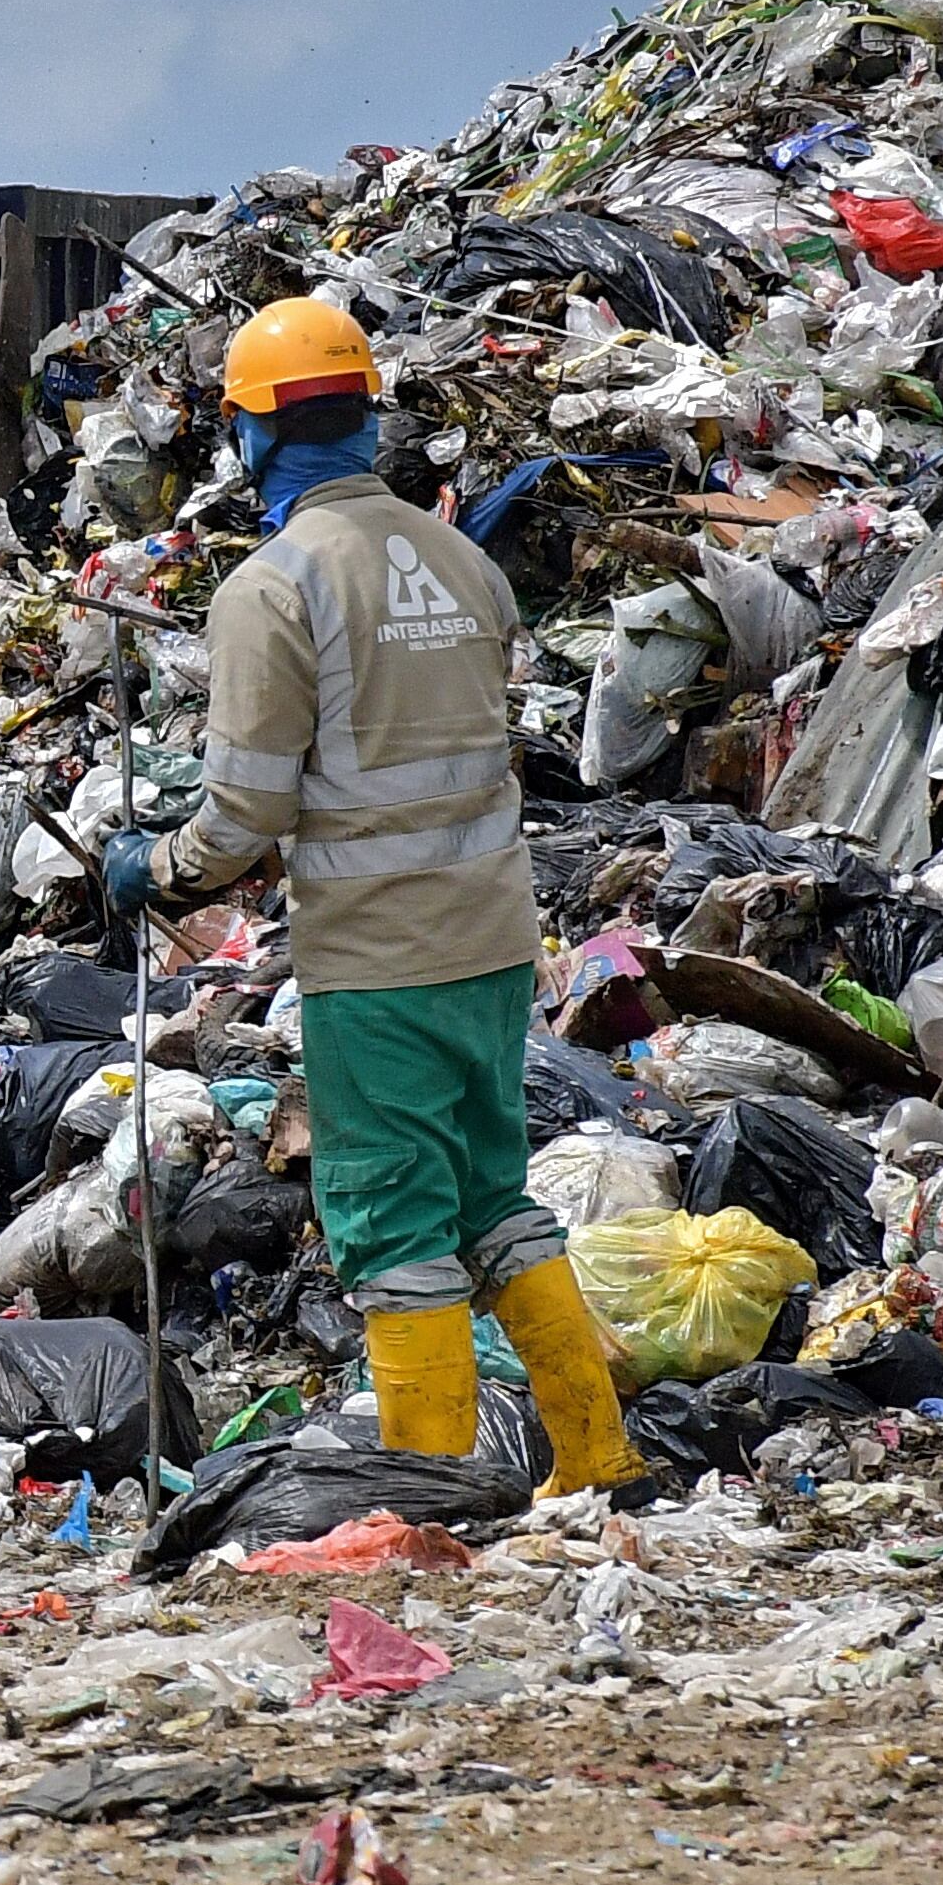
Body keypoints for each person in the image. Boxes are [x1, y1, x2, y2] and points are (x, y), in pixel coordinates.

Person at [103, 294, 640, 1498]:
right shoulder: (461, 561)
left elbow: (241, 818)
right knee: (490, 1197)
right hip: (495, 945)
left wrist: (155, 871)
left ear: (250, 437)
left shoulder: (273, 590)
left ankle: (428, 1492)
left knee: (395, 1228)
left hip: (380, 964)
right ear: (365, 414)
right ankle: (599, 1454)